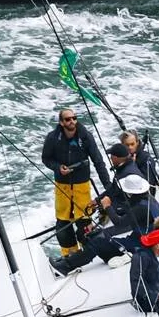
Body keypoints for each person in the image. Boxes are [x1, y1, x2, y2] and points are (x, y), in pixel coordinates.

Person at [40, 107, 105, 255]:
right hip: (62, 186)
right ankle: (70, 255)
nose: (72, 121)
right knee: (63, 225)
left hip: (81, 186)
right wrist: (58, 168)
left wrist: (107, 187)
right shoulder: (52, 138)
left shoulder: (86, 137)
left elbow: (98, 161)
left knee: (84, 221)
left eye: (74, 118)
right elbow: (46, 159)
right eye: (68, 119)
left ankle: (91, 252)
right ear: (61, 122)